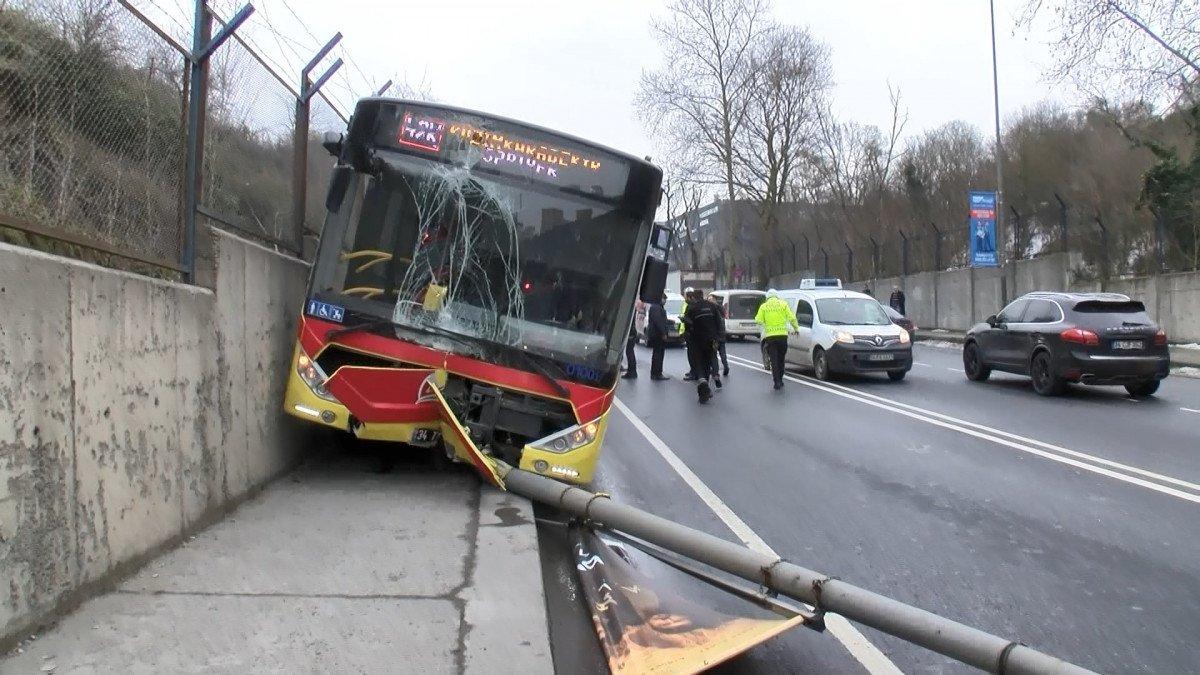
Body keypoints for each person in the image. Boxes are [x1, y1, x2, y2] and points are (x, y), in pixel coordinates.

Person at [680, 290, 722, 403]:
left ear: (694, 297)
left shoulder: (692, 308)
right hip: (711, 340)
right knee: (708, 363)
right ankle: (705, 386)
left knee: (699, 363)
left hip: (697, 341)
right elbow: (719, 322)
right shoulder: (712, 307)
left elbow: (688, 323)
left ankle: (703, 383)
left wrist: (686, 333)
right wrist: (718, 338)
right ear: (702, 296)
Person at [754, 289, 800, 390]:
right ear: (777, 296)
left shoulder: (764, 306)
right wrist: (796, 328)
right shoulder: (783, 304)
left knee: (773, 360)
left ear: (768, 297)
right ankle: (781, 378)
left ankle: (777, 382)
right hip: (782, 336)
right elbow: (792, 318)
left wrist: (765, 327)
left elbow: (758, 320)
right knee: (781, 359)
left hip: (770, 337)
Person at [646, 295, 671, 381]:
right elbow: (658, 321)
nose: (665, 301)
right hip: (657, 335)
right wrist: (663, 333)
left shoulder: (656, 307)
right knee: (658, 354)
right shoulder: (656, 307)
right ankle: (657, 373)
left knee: (657, 354)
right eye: (664, 299)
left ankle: (655, 373)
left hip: (656, 334)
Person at [707, 292, 730, 377]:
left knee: (713, 354)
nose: (710, 301)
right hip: (721, 334)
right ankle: (726, 366)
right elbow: (724, 319)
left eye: (711, 300)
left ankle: (715, 371)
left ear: (714, 300)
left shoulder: (710, 310)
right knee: (722, 353)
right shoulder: (721, 308)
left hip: (714, 336)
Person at [621, 309, 638, 379]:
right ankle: (632, 371)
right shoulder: (632, 308)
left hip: (630, 332)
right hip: (632, 332)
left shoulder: (630, 309)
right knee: (630, 351)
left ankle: (632, 372)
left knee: (629, 351)